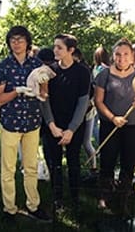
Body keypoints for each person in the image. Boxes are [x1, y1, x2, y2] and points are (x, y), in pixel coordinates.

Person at [0, 26, 52, 222]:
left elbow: (45, 93)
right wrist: (18, 91)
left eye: (20, 39)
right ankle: (9, 208)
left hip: (32, 121)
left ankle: (33, 205)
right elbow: (0, 99)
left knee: (31, 167)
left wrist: (41, 91)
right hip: (10, 122)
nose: (16, 43)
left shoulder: (37, 65)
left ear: (27, 42)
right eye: (13, 39)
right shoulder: (3, 65)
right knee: (8, 168)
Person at [94, 38, 135, 216]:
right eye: (118, 55)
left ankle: (123, 200)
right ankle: (105, 197)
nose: (122, 58)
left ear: (132, 56)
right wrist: (113, 118)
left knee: (128, 164)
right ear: (113, 56)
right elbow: (98, 101)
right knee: (107, 162)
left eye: (126, 54)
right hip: (110, 125)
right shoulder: (103, 75)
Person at [39, 34, 92, 219]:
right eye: (54, 47)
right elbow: (44, 100)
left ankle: (75, 198)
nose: (55, 50)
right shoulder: (48, 71)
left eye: (59, 47)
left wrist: (71, 129)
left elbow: (83, 103)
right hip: (53, 124)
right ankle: (57, 198)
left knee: (73, 162)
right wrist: (52, 125)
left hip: (74, 126)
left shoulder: (83, 72)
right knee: (54, 163)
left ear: (71, 50)